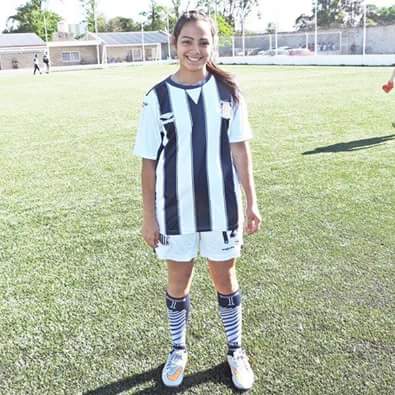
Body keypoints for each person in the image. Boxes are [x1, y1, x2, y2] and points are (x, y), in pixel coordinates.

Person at [133, 10, 261, 391]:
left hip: (223, 207)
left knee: (225, 278)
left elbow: (240, 151)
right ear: (174, 45)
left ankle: (236, 350)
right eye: (187, 41)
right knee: (179, 280)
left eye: (203, 42)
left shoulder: (228, 91)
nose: (195, 49)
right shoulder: (156, 97)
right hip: (174, 212)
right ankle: (178, 350)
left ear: (212, 46)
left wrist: (252, 202)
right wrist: (148, 217)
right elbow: (148, 162)